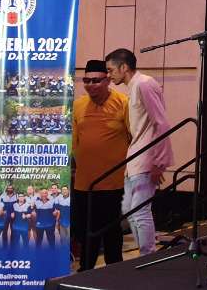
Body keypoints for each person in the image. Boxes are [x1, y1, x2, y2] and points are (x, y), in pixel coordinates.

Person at [105, 49, 174, 257]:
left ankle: (147, 255)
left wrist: (159, 162)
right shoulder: (135, 86)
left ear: (124, 67)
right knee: (129, 209)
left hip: (145, 158)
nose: (109, 75)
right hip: (135, 158)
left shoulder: (144, 84)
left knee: (140, 209)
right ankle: (144, 253)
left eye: (111, 70)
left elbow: (161, 123)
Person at [72, 60, 131, 270]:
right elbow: (74, 140)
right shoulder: (78, 105)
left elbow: (135, 137)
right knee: (85, 231)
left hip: (114, 183)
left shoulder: (123, 103)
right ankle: (85, 271)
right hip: (84, 183)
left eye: (96, 81)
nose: (90, 85)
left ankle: (115, 272)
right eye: (86, 81)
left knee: (112, 233)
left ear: (107, 80)